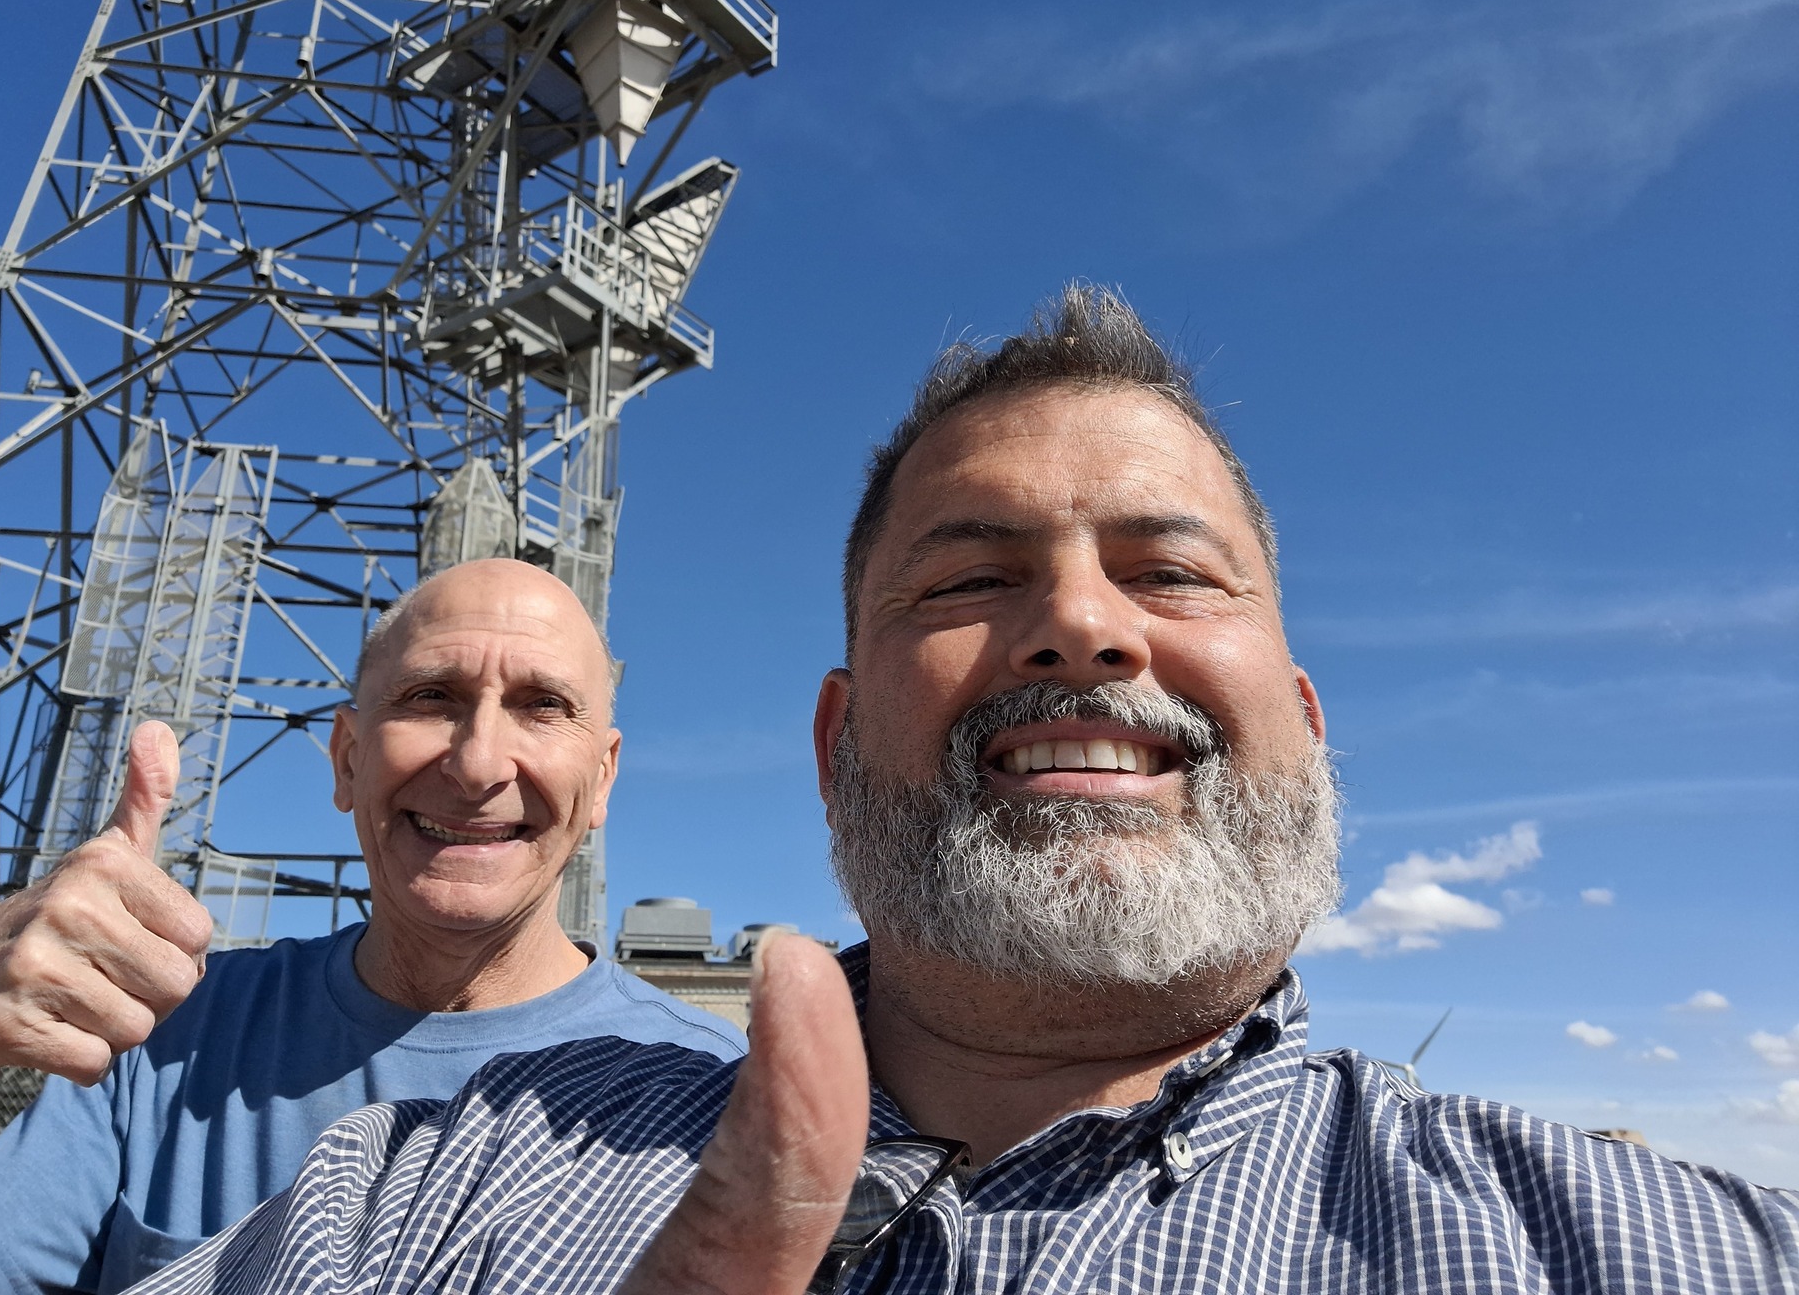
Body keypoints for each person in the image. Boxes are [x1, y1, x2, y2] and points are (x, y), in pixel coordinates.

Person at [121, 286, 1796, 1295]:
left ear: (1301, 719)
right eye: (969, 578)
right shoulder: (427, 1192)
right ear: (836, 739)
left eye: (1169, 572)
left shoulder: (1650, 1249)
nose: (1080, 625)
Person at [0, 558, 744, 1295]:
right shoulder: (168, 1035)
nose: (479, 762)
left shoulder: (715, 1099)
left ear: (602, 778)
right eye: (429, 697)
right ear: (346, 759)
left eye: (542, 706)